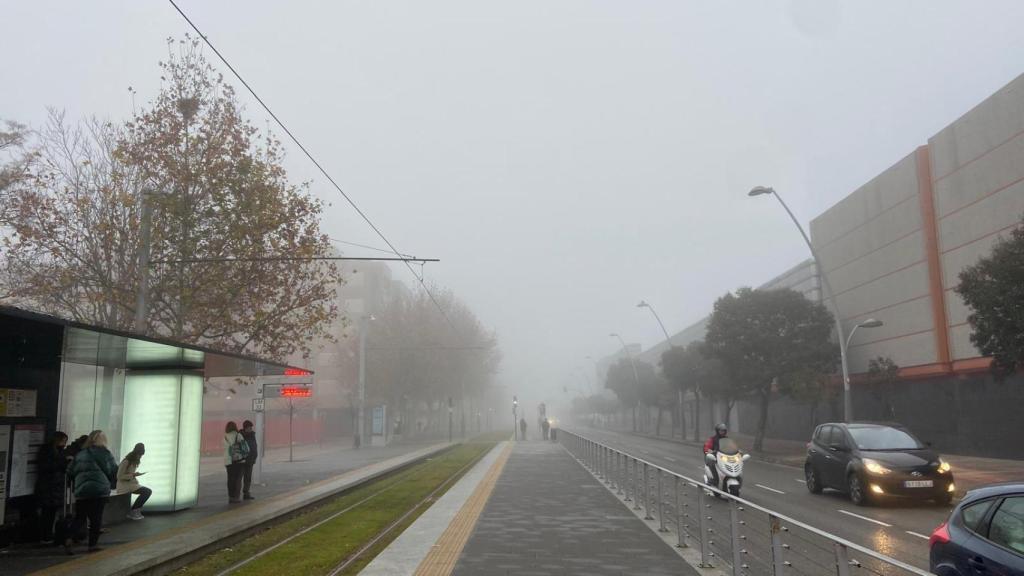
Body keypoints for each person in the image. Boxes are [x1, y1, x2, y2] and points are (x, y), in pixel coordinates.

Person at [65, 430, 118, 554]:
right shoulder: (105, 453)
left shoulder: (81, 454)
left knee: (80, 517)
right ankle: (92, 545)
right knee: (96, 518)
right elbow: (112, 470)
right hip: (99, 491)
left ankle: (68, 538)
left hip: (82, 490)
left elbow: (70, 471)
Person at [35, 431, 69, 544]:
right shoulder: (48, 451)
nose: (64, 444)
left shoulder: (58, 452)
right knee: (47, 513)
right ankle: (45, 535)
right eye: (63, 441)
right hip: (49, 486)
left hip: (54, 487)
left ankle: (47, 534)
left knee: (50, 512)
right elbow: (47, 467)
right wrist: (63, 462)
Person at [117, 443, 152, 520]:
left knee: (147, 491)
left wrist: (134, 475)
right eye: (140, 455)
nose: (140, 457)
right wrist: (133, 475)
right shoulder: (126, 461)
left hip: (130, 484)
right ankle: (133, 511)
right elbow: (119, 476)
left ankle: (134, 510)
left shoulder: (133, 461)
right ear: (136, 453)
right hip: (124, 485)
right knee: (147, 491)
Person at [223, 421, 249, 503]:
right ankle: (236, 497)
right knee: (237, 479)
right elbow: (246, 447)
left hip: (228, 461)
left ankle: (231, 497)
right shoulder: (238, 435)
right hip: (238, 460)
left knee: (230, 479)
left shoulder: (224, 436)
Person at [703, 423, 729, 487]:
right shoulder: (713, 439)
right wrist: (709, 450)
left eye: (723, 431)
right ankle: (714, 480)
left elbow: (731, 447)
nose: (722, 432)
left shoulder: (727, 439)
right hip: (714, 457)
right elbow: (707, 446)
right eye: (721, 431)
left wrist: (737, 451)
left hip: (724, 457)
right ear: (717, 431)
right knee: (712, 464)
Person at [240, 420, 258, 500]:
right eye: (249, 427)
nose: (251, 429)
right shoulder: (240, 436)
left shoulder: (252, 435)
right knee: (239, 478)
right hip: (242, 461)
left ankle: (246, 493)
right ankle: (236, 495)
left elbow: (254, 447)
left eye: (251, 427)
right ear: (245, 428)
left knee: (248, 478)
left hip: (250, 460)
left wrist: (254, 457)